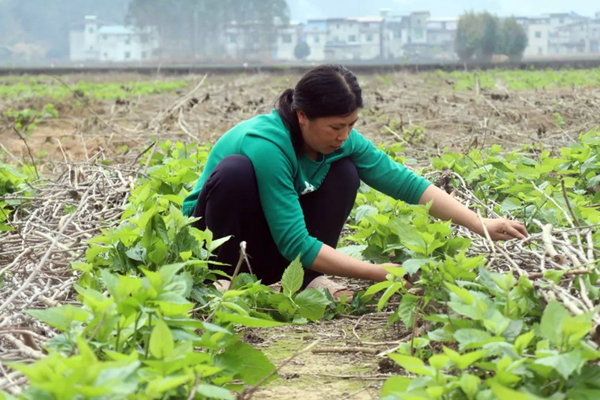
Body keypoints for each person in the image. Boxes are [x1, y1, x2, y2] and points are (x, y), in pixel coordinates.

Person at [182, 64, 528, 295]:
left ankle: (305, 280)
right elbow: (294, 242)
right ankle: (221, 281)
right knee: (235, 173)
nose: (344, 136)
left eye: (351, 125)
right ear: (302, 116)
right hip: (217, 243)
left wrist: (479, 223)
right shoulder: (268, 143)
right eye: (336, 127)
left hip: (269, 247)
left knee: (345, 171)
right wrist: (379, 272)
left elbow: (405, 183)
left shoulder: (340, 142)